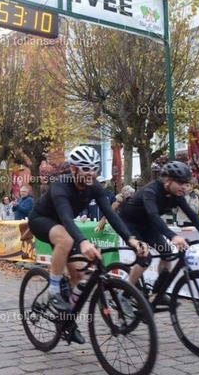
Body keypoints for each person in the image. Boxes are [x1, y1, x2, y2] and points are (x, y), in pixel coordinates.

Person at [28, 146, 146, 344]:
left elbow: (111, 215)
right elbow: (67, 218)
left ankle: (67, 322)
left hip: (64, 227)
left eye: (94, 168)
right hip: (42, 220)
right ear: (74, 169)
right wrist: (83, 242)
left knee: (79, 276)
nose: (91, 173)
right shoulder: (61, 185)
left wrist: (131, 239)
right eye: (86, 169)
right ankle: (54, 288)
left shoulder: (94, 187)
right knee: (66, 240)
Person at [117, 161, 199, 304]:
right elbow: (154, 216)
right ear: (167, 180)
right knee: (145, 258)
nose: (184, 186)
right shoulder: (151, 191)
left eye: (186, 183)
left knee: (167, 254)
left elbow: (192, 215)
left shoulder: (176, 194)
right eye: (181, 182)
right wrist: (173, 236)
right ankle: (124, 296)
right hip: (129, 222)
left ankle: (158, 293)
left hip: (147, 224)